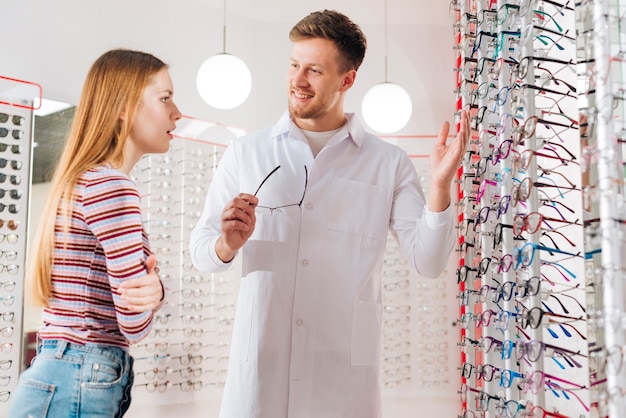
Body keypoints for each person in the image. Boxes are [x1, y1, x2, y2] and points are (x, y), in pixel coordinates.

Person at [189, 9, 469, 418]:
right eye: (294, 65)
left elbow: (428, 262)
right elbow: (201, 253)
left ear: (347, 79)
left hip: (341, 391)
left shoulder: (387, 164)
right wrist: (225, 244)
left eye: (314, 71)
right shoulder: (246, 153)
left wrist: (441, 188)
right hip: (259, 385)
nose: (297, 81)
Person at [9, 48, 182, 418]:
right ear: (123, 106)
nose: (177, 112)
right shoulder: (113, 187)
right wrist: (156, 292)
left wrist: (155, 289)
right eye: (165, 98)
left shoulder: (83, 180)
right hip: (83, 372)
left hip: (62, 370)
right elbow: (134, 324)